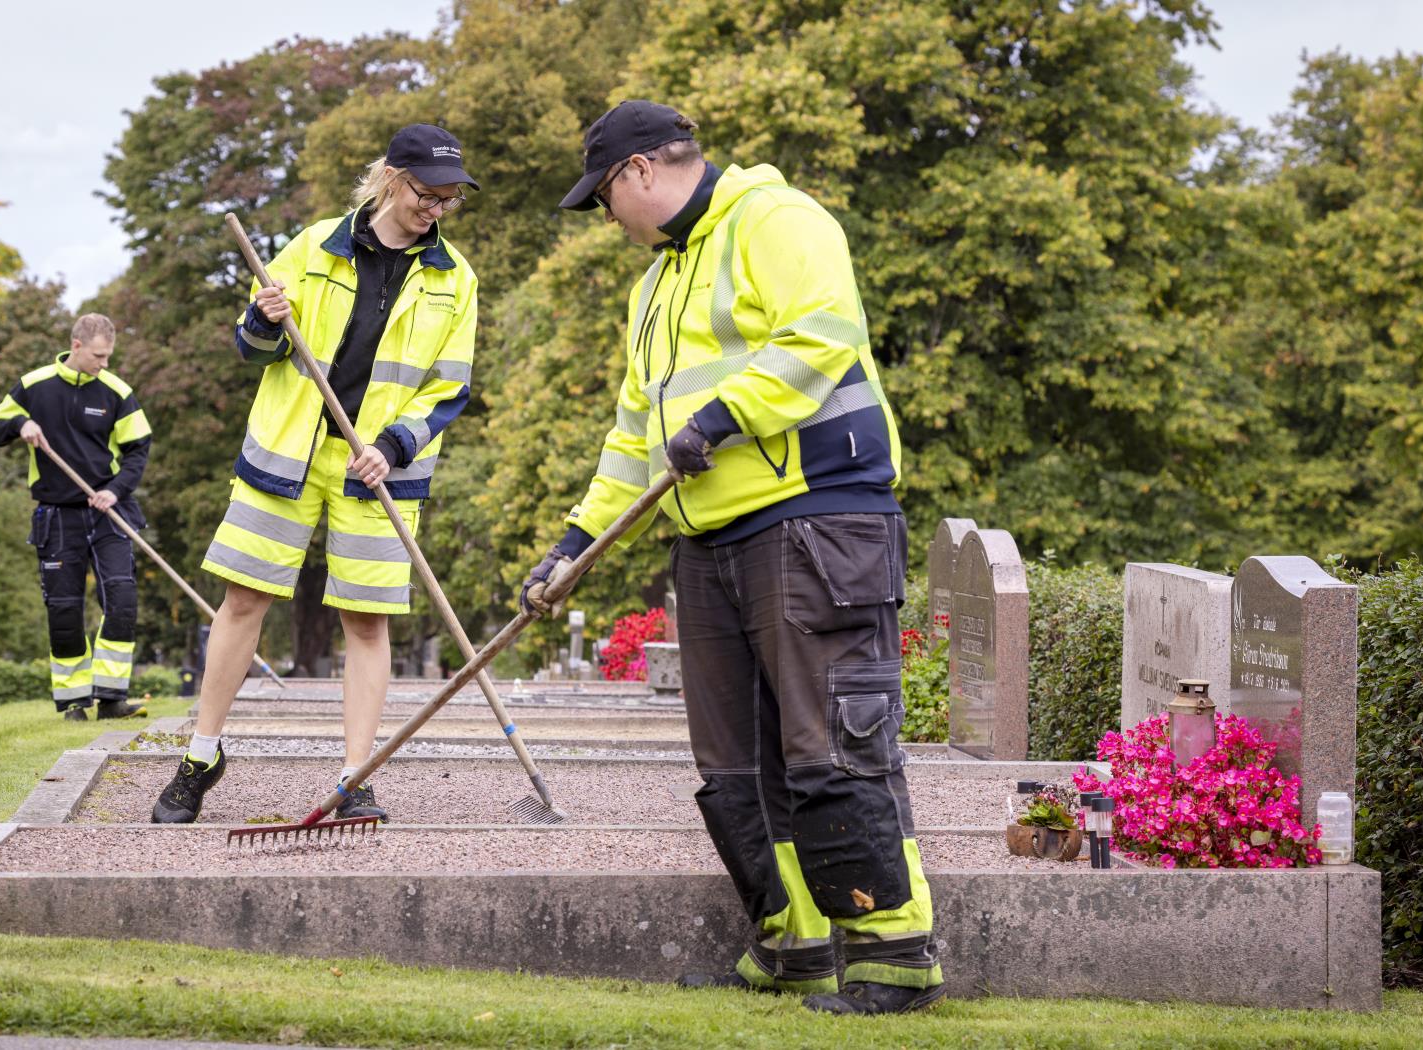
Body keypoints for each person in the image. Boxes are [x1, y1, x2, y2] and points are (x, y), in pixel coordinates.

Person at [522, 101, 942, 1015]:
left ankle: (894, 948)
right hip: (710, 539)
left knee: (830, 744)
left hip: (814, 519)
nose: (607, 218)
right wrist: (572, 543)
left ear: (638, 173)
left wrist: (720, 418)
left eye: (602, 198)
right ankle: (794, 944)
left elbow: (822, 335)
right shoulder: (655, 289)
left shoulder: (779, 220)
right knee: (738, 765)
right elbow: (634, 439)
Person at [150, 124, 480, 825]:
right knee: (243, 603)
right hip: (286, 453)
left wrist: (393, 446)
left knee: (365, 622)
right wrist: (263, 319)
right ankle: (200, 757)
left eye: (449, 199)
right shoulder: (312, 246)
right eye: (427, 193)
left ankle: (353, 778)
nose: (437, 209)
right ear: (392, 178)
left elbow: (450, 389)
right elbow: (253, 348)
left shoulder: (457, 282)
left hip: (378, 470)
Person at [0, 314, 152, 722]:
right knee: (63, 607)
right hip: (57, 514)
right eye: (98, 355)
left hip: (109, 510)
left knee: (122, 599)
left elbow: (138, 450)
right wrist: (20, 423)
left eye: (109, 356)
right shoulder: (33, 386)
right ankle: (75, 702)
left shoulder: (117, 392)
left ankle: (112, 699)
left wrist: (115, 490)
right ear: (76, 346)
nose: (104, 364)